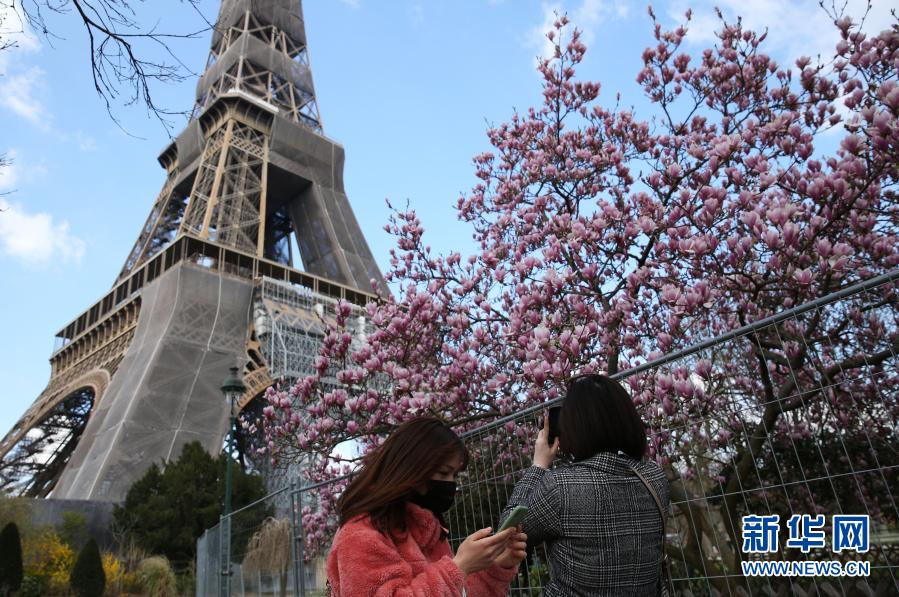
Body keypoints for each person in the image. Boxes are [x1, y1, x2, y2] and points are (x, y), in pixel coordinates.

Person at [502, 374, 670, 596]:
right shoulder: (655, 478)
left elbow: (507, 531)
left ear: (574, 427)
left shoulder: (561, 487)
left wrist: (538, 466)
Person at [326, 416, 528, 596]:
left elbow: (457, 592)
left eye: (454, 475)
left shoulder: (428, 531)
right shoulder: (360, 534)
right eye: (443, 473)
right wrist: (459, 567)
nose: (450, 484)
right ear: (410, 469)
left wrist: (494, 568)